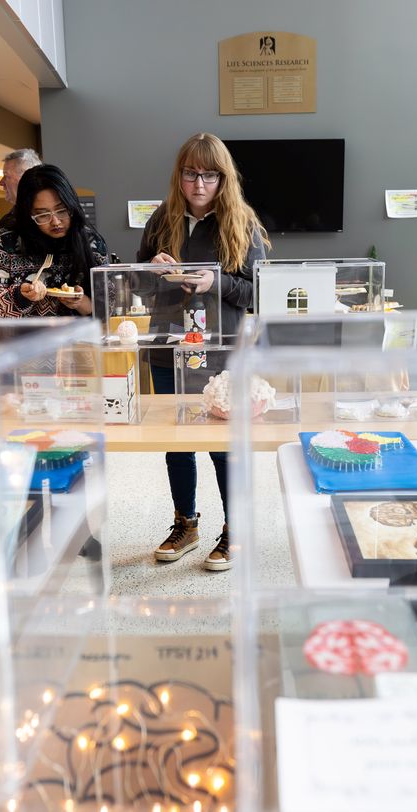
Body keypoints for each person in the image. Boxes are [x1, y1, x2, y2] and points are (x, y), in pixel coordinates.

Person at [137, 132, 269, 572]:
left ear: (222, 178)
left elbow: (257, 292)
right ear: (180, 176)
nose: (199, 183)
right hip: (168, 349)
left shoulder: (242, 223)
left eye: (209, 175)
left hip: (219, 354)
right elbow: (136, 283)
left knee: (223, 447)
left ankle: (236, 531)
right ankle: (186, 524)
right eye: (191, 173)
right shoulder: (161, 219)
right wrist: (152, 271)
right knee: (177, 443)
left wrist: (219, 283)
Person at [0, 164, 105, 318]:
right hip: (21, 340)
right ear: (28, 214)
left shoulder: (90, 241)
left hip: (81, 340)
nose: (55, 222)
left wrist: (82, 303)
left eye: (62, 210)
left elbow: (111, 304)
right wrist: (20, 297)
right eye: (42, 215)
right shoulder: (3, 241)